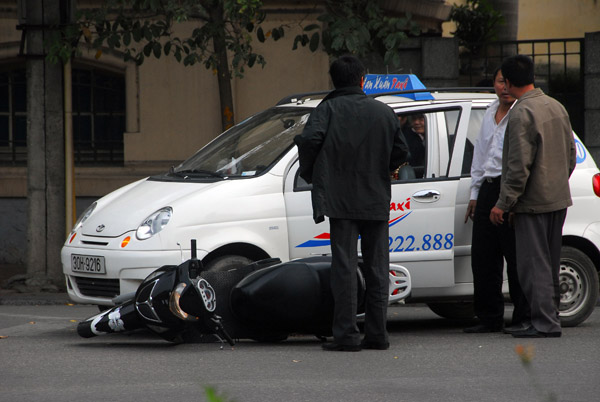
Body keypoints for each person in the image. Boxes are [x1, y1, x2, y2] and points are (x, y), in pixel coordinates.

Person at [293, 55, 409, 351]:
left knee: (344, 268)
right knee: (377, 267)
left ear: (333, 80)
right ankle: (377, 334)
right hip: (375, 198)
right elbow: (401, 151)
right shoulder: (384, 112)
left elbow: (308, 142)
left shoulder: (327, 109)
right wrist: (386, 168)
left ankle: (346, 335)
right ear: (362, 79)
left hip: (340, 200)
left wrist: (314, 171)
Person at [490, 55, 576, 338]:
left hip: (533, 203)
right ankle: (550, 317)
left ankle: (544, 323)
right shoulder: (556, 106)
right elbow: (571, 157)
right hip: (557, 198)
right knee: (549, 262)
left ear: (510, 82)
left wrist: (503, 203)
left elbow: (518, 167)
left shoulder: (521, 112)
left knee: (533, 264)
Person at [463, 68, 530, 334]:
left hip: (511, 187)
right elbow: (480, 156)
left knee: (515, 258)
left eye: (510, 82)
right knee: (483, 257)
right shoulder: (489, 112)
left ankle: (523, 317)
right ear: (493, 84)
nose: (505, 87)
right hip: (489, 187)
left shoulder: (523, 113)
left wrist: (513, 201)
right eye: (501, 81)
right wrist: (474, 194)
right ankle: (489, 317)